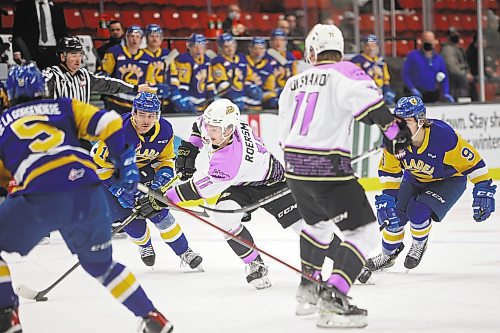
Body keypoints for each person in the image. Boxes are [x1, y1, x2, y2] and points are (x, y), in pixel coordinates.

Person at [0, 64, 172, 333]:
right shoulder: (63, 106)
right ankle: (152, 317)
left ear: (8, 94)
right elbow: (111, 122)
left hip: (41, 195)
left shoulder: (3, 122)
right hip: (88, 190)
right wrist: (125, 164)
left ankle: (5, 316)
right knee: (102, 265)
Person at [278, 23, 412, 328]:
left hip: (294, 166)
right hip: (327, 166)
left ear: (312, 52)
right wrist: (395, 132)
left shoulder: (294, 81)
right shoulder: (346, 71)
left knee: (318, 226)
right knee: (362, 233)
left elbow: (285, 128)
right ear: (339, 50)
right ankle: (335, 301)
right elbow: (371, 107)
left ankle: (308, 290)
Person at [363, 96, 496, 274]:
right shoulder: (393, 139)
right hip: (415, 177)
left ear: (421, 121)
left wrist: (483, 189)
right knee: (393, 215)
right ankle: (388, 254)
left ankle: (419, 244)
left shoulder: (443, 137)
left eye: (407, 121)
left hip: (448, 181)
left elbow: (474, 164)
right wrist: (388, 197)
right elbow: (390, 172)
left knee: (417, 211)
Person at [92, 91, 203, 269]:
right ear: (133, 112)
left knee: (158, 212)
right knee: (130, 219)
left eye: (151, 115)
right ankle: (145, 246)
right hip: (112, 175)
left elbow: (165, 159)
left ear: (157, 115)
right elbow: (99, 165)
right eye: (142, 114)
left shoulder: (165, 130)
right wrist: (118, 190)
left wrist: (163, 176)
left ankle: (185, 252)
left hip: (142, 170)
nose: (146, 120)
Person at [43, 37, 151, 104]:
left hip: (78, 128)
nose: (78, 60)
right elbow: (37, 93)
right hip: (57, 129)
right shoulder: (51, 74)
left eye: (80, 55)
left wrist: (135, 88)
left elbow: (108, 84)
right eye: (73, 55)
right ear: (62, 57)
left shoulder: (84, 75)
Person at [142, 24, 195, 113]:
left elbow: (174, 75)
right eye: (151, 36)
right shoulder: (140, 55)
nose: (154, 39)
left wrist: (174, 91)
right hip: (147, 101)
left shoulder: (167, 54)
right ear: (146, 38)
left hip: (166, 100)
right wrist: (154, 88)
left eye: (157, 36)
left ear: (161, 38)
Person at [100, 25, 150, 114]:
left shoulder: (147, 58)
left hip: (136, 106)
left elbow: (149, 82)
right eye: (131, 36)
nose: (134, 39)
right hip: (114, 103)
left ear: (141, 39)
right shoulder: (114, 52)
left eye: (137, 36)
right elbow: (103, 74)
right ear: (126, 37)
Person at [12, 0, 68, 69]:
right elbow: (17, 30)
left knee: (52, 78)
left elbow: (63, 32)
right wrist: (16, 50)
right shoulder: (24, 6)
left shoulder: (56, 7)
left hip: (53, 51)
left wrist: (65, 50)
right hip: (32, 52)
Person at [402, 31, 455, 103]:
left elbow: (444, 77)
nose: (428, 44)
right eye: (426, 41)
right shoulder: (412, 56)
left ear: (434, 42)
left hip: (432, 94)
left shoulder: (439, 59)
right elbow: (405, 74)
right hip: (416, 95)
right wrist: (412, 88)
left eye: (430, 42)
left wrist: (446, 92)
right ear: (422, 42)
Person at [211, 33, 257, 111]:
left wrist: (249, 88)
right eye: (226, 46)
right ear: (220, 48)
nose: (230, 49)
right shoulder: (218, 62)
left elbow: (249, 77)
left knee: (256, 92)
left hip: (241, 94)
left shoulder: (242, 58)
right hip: (226, 97)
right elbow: (222, 86)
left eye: (232, 45)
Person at [351, 34, 396, 106]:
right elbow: (357, 80)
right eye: (368, 45)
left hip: (380, 91)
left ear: (378, 47)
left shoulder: (381, 60)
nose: (371, 48)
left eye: (374, 45)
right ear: (364, 47)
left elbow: (386, 79)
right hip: (365, 92)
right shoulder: (358, 60)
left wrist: (387, 90)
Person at [175, 33, 215, 112]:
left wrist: (211, 99)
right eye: (195, 46)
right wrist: (186, 101)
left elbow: (209, 84)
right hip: (190, 101)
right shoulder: (184, 60)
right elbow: (183, 86)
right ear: (189, 47)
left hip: (203, 103)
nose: (199, 49)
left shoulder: (206, 60)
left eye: (202, 45)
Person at [440, 28, 474, 99]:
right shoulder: (447, 50)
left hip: (461, 82)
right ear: (448, 37)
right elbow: (452, 68)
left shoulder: (457, 48)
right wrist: (465, 75)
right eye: (453, 34)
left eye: (456, 34)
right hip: (455, 83)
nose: (455, 36)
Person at [245, 37, 278, 110]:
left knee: (273, 101)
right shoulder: (242, 61)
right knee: (254, 91)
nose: (258, 51)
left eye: (261, 49)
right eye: (255, 48)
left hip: (260, 92)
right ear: (250, 49)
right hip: (243, 92)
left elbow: (270, 87)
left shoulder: (268, 66)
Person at [266, 29, 297, 97]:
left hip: (287, 88)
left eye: (281, 40)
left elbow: (295, 74)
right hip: (272, 89)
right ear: (270, 42)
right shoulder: (266, 56)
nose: (278, 42)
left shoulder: (290, 56)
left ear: (285, 42)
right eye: (275, 40)